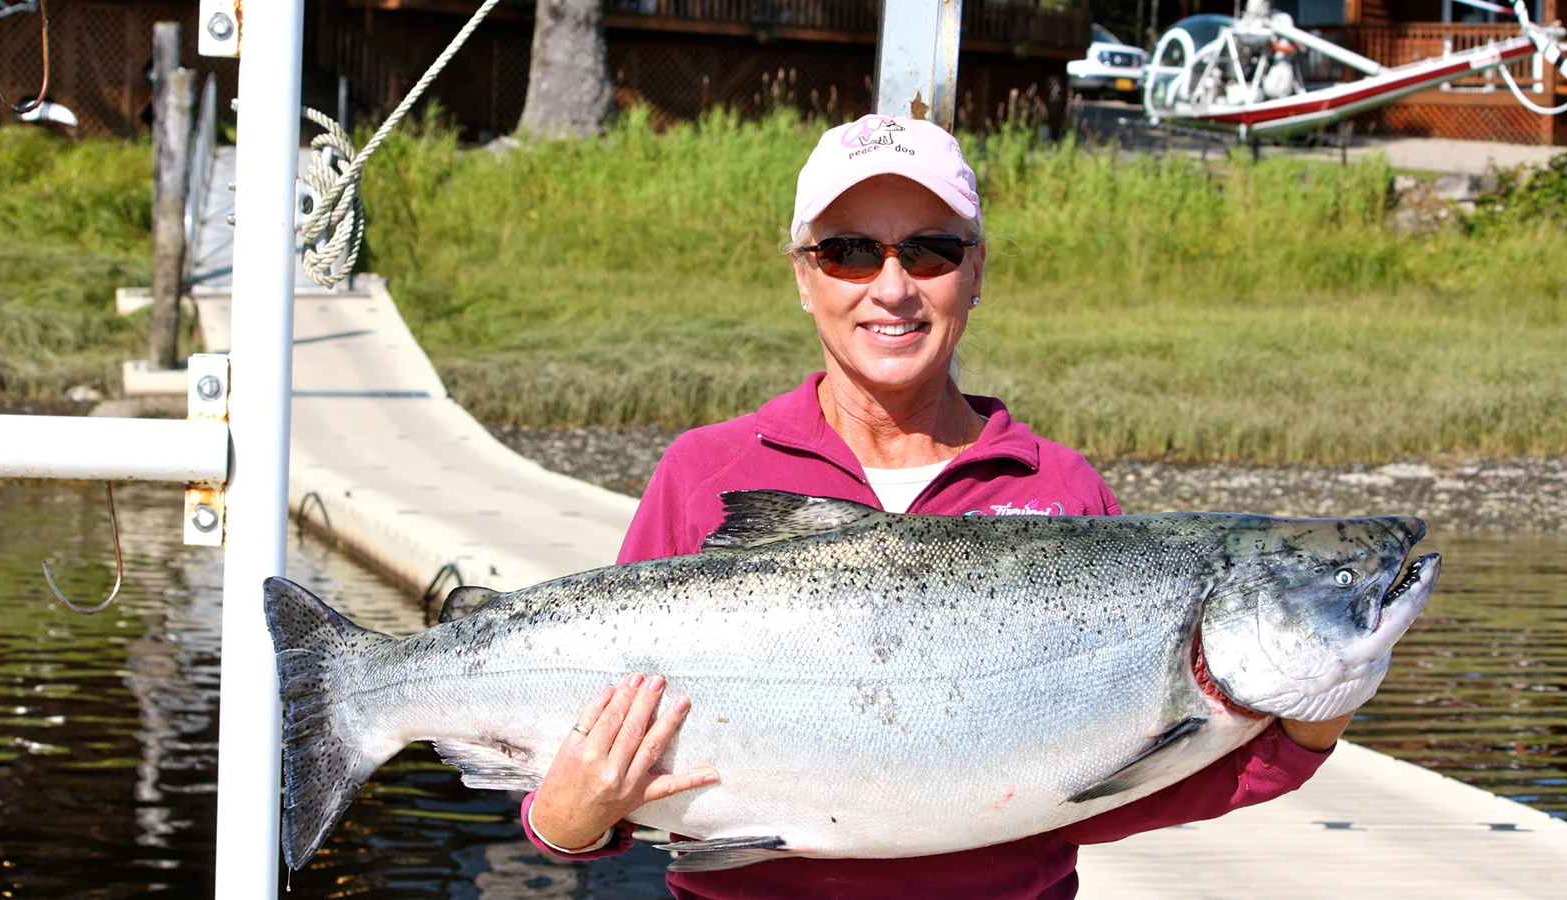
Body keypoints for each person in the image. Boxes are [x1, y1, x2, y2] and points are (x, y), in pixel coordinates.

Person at [519, 114, 1354, 899]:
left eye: (929, 252)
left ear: (977, 271)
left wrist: (1306, 730)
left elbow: (1112, 794)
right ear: (805, 278)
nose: (892, 288)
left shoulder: (1064, 492)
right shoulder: (703, 471)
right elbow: (598, 774)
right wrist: (564, 824)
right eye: (849, 252)